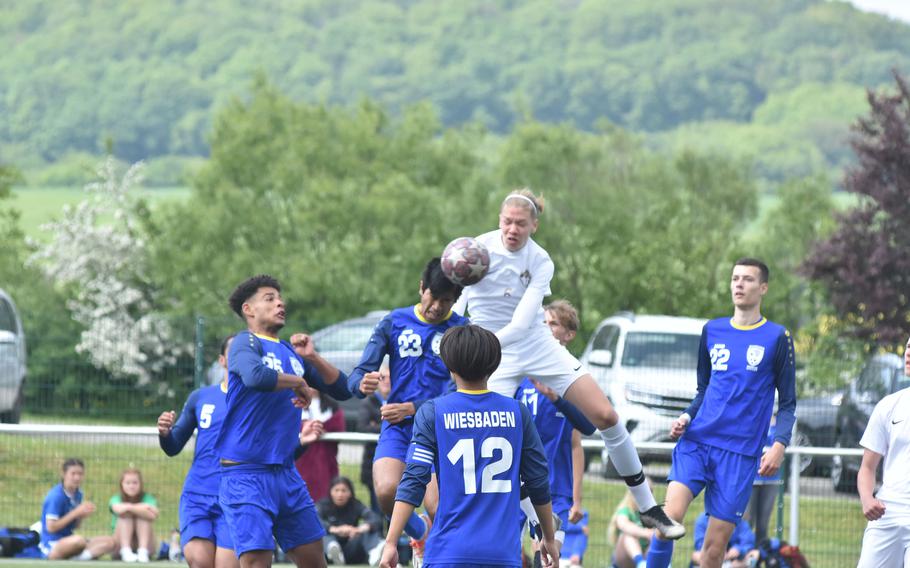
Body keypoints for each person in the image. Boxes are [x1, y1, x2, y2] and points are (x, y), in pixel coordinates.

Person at [452, 189, 683, 539]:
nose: (512, 229)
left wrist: (481, 346)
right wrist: (457, 338)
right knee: (492, 439)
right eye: (507, 222)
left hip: (532, 343)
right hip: (492, 354)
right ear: (498, 221)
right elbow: (457, 306)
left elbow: (522, 322)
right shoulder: (475, 252)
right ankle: (537, 518)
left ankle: (650, 508)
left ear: (534, 226)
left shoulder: (540, 260)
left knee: (606, 416)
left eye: (521, 224)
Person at [648, 258, 797, 568]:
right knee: (667, 521)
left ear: (763, 288)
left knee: (714, 552)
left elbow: (788, 404)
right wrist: (686, 417)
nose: (739, 284)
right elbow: (704, 390)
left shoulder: (777, 337)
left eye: (748, 279)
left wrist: (779, 445)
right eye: (735, 278)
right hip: (698, 443)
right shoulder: (712, 330)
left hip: (740, 455)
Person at [379, 324, 559, 568]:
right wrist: (548, 536)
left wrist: (390, 542)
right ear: (493, 365)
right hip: (502, 555)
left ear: (449, 365)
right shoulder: (518, 413)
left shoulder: (433, 412)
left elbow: (414, 479)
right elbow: (538, 480)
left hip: (448, 553)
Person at [214, 274, 352, 568]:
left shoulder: (291, 353)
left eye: (280, 298)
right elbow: (255, 377)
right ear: (249, 310)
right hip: (246, 474)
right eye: (270, 298)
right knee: (257, 562)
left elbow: (342, 389)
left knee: (315, 561)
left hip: (286, 473)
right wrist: (297, 382)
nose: (280, 302)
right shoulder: (244, 343)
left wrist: (312, 357)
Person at [348, 257, 469, 563]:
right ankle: (420, 534)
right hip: (399, 429)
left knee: (438, 507)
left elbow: (462, 388)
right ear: (421, 288)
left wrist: (414, 408)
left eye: (447, 301)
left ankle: (439, 557)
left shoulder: (461, 329)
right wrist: (362, 383)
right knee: (387, 490)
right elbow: (358, 373)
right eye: (433, 297)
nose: (438, 306)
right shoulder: (393, 322)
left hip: (442, 429)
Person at [516, 299, 596, 568]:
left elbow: (576, 443)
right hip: (521, 485)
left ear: (569, 335)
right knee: (507, 552)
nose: (547, 328)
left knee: (547, 559)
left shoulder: (572, 379)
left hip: (556, 489)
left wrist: (577, 499)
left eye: (554, 324)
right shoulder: (522, 375)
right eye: (544, 323)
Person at [158, 334, 239, 568]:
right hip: (198, 493)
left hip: (236, 496)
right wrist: (164, 432)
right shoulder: (201, 397)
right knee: (200, 562)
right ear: (222, 360)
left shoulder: (259, 402)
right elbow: (173, 446)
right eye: (235, 350)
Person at [856, 335, 910, 567]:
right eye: (908, 347)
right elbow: (867, 468)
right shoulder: (889, 406)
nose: (908, 353)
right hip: (886, 513)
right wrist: (867, 498)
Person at [39, 458, 115, 560]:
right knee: (79, 541)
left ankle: (79, 557)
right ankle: (81, 556)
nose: (77, 477)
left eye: (80, 474)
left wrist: (82, 516)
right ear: (64, 474)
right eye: (73, 473)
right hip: (52, 544)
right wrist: (75, 513)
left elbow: (75, 527)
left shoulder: (78, 494)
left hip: (69, 539)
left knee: (110, 542)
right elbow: (51, 528)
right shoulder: (56, 496)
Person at [316, 476, 384, 566]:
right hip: (327, 549)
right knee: (322, 533)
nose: (340, 494)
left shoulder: (356, 505)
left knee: (368, 530)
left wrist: (359, 529)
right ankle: (333, 550)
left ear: (350, 493)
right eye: (336, 490)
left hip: (351, 548)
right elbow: (314, 520)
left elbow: (375, 518)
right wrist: (334, 529)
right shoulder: (322, 505)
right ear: (331, 492)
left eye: (344, 491)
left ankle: (375, 552)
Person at [295, 387, 345, 502]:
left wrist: (323, 430)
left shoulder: (332, 406)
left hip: (325, 459)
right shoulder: (295, 404)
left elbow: (338, 427)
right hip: (302, 458)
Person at [358, 363, 391, 516]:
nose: (387, 381)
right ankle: (378, 537)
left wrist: (377, 424)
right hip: (372, 463)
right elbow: (363, 426)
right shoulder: (368, 401)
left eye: (391, 378)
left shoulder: (401, 401)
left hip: (396, 463)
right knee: (377, 507)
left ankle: (395, 538)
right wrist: (390, 424)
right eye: (383, 377)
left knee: (395, 506)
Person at [744, 416, 782, 545]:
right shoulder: (751, 416)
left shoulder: (780, 423)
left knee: (763, 525)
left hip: (771, 480)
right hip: (751, 478)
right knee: (747, 522)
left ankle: (759, 557)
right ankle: (743, 555)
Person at [109, 467, 159, 563]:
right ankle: (126, 551)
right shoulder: (116, 498)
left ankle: (142, 552)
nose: (131, 486)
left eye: (135, 483)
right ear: (121, 484)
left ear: (141, 484)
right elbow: (117, 509)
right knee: (125, 515)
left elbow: (154, 515)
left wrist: (129, 507)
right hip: (119, 545)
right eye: (128, 483)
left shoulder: (148, 498)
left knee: (144, 517)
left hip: (146, 545)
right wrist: (142, 507)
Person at [690, 512, 758, 568]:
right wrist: (716, 550)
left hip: (734, 558)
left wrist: (738, 549)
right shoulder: (702, 520)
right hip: (711, 554)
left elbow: (748, 541)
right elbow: (699, 543)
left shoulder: (738, 519)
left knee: (754, 554)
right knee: (696, 555)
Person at [608, 487, 654, 568]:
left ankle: (664, 564)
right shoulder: (625, 510)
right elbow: (623, 524)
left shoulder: (651, 514)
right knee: (627, 535)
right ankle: (640, 563)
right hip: (624, 558)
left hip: (646, 555)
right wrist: (645, 533)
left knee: (662, 536)